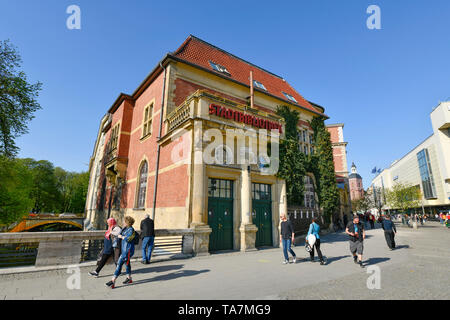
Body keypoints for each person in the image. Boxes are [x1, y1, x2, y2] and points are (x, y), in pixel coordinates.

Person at [106, 216, 137, 289]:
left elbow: (129, 238)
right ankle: (129, 278)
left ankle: (113, 281)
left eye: (124, 221)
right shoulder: (125, 228)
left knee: (119, 264)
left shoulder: (131, 230)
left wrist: (121, 237)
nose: (123, 222)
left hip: (127, 251)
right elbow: (119, 233)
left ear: (127, 222)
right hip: (124, 250)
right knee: (127, 264)